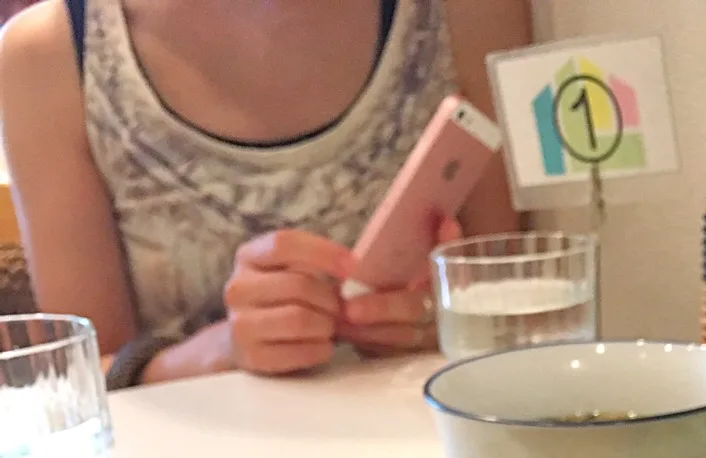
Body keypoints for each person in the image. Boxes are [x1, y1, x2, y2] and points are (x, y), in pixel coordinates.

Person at [0, 0, 529, 386]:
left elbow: (521, 302)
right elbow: (80, 374)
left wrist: (440, 322)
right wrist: (216, 352)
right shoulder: (48, 53)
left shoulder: (469, 13)